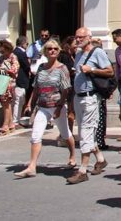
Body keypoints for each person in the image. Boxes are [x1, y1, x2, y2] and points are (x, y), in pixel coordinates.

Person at [14, 39, 76, 177]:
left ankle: (72, 155)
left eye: (55, 48)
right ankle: (32, 166)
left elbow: (66, 89)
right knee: (36, 135)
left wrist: (60, 106)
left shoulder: (62, 68)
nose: (52, 50)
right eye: (49, 49)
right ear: (45, 52)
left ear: (58, 51)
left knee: (65, 134)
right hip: (42, 107)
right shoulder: (41, 67)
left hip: (57, 106)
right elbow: (36, 88)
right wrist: (30, 103)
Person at [67, 27, 113, 184]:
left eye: (81, 37)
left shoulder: (98, 52)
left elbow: (110, 71)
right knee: (84, 131)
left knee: (86, 132)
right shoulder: (79, 53)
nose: (78, 40)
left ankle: (82, 170)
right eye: (77, 37)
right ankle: (100, 159)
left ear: (89, 37)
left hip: (90, 98)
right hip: (79, 97)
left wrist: (91, 69)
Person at [0, 40, 20, 136]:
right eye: (0, 51)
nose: (1, 53)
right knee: (6, 104)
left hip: (8, 83)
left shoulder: (13, 57)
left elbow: (13, 71)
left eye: (2, 51)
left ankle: (5, 125)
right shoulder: (2, 58)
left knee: (6, 104)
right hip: (2, 83)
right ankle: (10, 125)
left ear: (7, 48)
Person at [11, 36, 30, 130]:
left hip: (17, 80)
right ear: (23, 43)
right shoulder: (20, 53)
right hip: (20, 80)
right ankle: (15, 121)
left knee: (17, 101)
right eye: (27, 44)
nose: (27, 45)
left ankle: (15, 120)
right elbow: (26, 66)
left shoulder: (14, 52)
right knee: (18, 100)